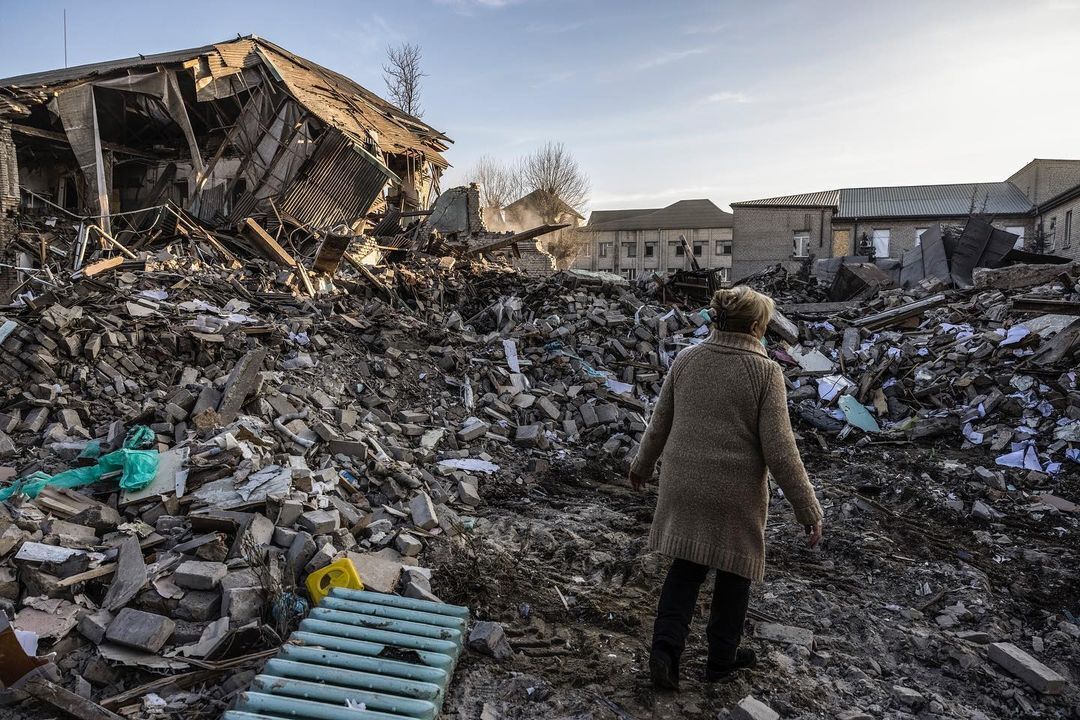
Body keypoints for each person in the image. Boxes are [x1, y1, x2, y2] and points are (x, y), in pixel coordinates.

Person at [628, 286, 824, 690]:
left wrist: (641, 467)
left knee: (685, 571)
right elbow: (781, 451)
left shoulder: (686, 359)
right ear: (756, 326)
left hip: (683, 485)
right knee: (734, 576)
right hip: (736, 494)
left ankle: (664, 652)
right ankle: (720, 659)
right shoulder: (766, 372)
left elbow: (659, 422)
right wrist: (808, 510)